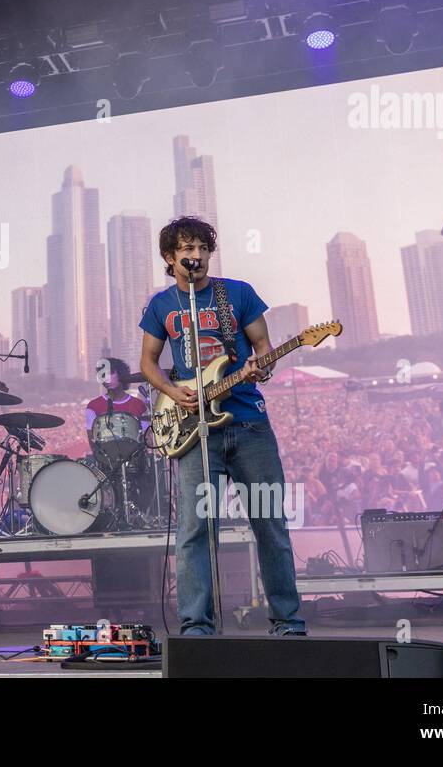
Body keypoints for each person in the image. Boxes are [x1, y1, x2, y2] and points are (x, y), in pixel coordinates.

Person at [138, 215, 306, 636]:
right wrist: (172, 391)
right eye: (187, 249)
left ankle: (287, 621)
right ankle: (197, 626)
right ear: (170, 258)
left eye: (202, 248)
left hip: (249, 424)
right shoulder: (161, 306)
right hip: (195, 430)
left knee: (269, 523)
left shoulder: (238, 293)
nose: (196, 255)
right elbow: (148, 363)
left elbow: (264, 347)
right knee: (195, 530)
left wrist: (260, 366)